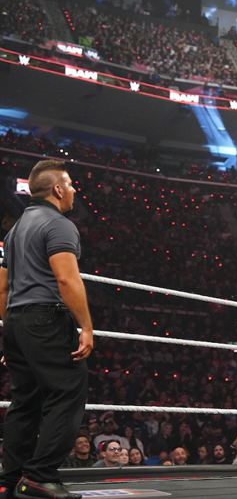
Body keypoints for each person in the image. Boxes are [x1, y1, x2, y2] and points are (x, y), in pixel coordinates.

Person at [0, 160, 93, 499]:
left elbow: (2, 287)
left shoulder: (14, 231)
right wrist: (86, 326)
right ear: (57, 189)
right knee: (68, 391)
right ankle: (40, 476)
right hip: (46, 319)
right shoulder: (58, 224)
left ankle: (9, 480)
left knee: (25, 401)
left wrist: (10, 331)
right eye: (70, 184)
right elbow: (67, 279)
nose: (74, 190)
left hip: (15, 321)